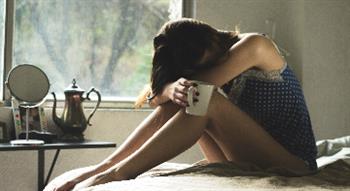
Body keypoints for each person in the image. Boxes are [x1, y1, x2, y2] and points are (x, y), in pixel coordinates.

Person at [46, 18, 317, 191]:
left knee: (202, 98)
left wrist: (173, 88)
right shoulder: (204, 70)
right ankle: (105, 168)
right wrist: (169, 87)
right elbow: (155, 100)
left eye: (205, 62)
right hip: (245, 160)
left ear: (211, 38)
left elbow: (196, 89)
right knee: (185, 98)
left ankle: (120, 173)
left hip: (292, 163)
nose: (208, 68)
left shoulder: (256, 45)